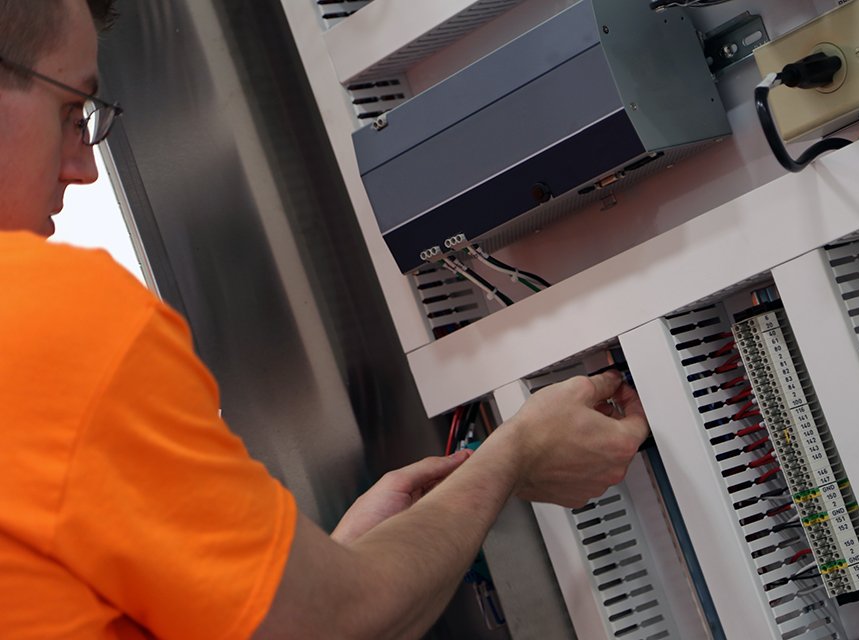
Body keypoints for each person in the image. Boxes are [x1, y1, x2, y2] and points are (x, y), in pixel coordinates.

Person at [0, 0, 650, 638]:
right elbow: (327, 624)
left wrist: (330, 566)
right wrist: (514, 454)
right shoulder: (47, 314)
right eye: (69, 110)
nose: (83, 166)